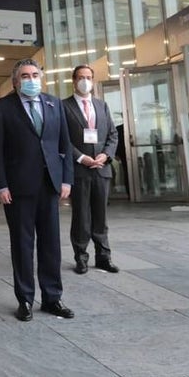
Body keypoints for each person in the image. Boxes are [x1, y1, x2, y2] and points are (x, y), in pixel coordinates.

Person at [0, 58, 74, 321]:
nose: (31, 79)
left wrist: (66, 180)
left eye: (35, 75)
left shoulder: (54, 103)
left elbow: (65, 145)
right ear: (15, 81)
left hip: (49, 185)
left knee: (51, 245)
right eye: (25, 76)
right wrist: (0, 185)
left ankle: (52, 298)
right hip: (18, 188)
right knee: (23, 245)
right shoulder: (1, 107)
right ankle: (24, 299)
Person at [62, 65, 119, 274]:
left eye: (88, 77)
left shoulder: (101, 105)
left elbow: (113, 134)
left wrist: (106, 154)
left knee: (101, 216)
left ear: (93, 80)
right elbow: (62, 139)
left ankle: (104, 256)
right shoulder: (64, 106)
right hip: (80, 171)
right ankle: (81, 257)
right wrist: (82, 158)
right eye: (80, 77)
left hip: (102, 169)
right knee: (81, 217)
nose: (85, 81)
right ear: (73, 80)